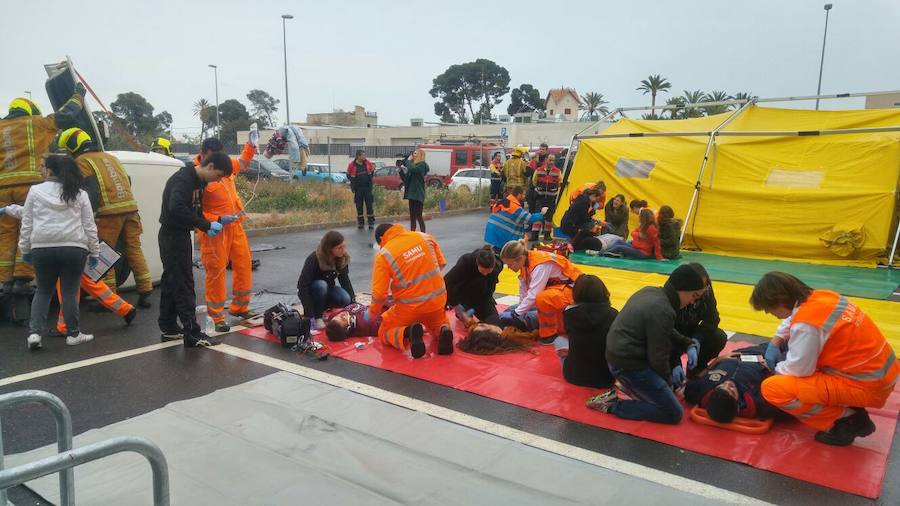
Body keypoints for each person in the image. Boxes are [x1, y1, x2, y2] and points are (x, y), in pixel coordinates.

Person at [750, 272, 899, 446]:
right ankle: (851, 410)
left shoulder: (806, 324)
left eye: (769, 308)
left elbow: (799, 369)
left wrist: (775, 370)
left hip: (867, 386)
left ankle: (846, 421)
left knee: (773, 388)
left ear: (780, 301)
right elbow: (795, 318)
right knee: (812, 368)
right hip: (881, 375)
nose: (769, 313)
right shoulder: (823, 297)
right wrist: (776, 340)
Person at [586, 265, 708, 424]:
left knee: (661, 393)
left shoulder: (651, 292)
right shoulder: (663, 309)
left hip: (620, 357)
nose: (693, 302)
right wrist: (669, 384)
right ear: (683, 289)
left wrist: (688, 344)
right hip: (628, 365)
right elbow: (658, 356)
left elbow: (666, 330)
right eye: (694, 296)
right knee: (673, 412)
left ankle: (632, 388)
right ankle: (613, 404)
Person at [0, 203, 137, 332]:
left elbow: (26, 212)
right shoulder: (70, 202)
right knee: (85, 283)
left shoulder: (45, 206)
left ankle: (65, 326)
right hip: (76, 251)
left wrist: (7, 209)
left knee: (66, 289)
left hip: (61, 253)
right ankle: (125, 309)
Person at [0, 86, 84, 294]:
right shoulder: (38, 124)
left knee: (5, 234)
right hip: (29, 188)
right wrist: (78, 95)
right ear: (30, 110)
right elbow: (67, 114)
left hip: (2, 189)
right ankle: (22, 278)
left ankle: (3, 281)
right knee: (27, 230)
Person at [57, 128, 153, 308]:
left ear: (72, 146)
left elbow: (90, 189)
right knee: (134, 249)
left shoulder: (81, 161)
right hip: (131, 209)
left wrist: (86, 214)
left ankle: (108, 300)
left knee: (103, 254)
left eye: (67, 149)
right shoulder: (111, 158)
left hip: (107, 213)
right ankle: (145, 290)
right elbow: (127, 181)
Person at [19, 154, 99, 349]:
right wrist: (95, 251)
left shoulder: (35, 191)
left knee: (43, 291)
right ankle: (73, 334)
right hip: (74, 248)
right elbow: (89, 225)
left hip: (42, 248)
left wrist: (25, 249)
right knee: (70, 292)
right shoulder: (79, 193)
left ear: (50, 170)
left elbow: (27, 222)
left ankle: (35, 334)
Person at [157, 152, 232, 347]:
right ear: (210, 167)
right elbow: (177, 208)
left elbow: (194, 211)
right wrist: (205, 225)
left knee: (172, 281)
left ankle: (168, 326)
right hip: (173, 235)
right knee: (184, 283)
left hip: (179, 235)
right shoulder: (183, 180)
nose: (217, 180)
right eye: (218, 175)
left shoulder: (198, 183)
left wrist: (209, 222)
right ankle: (192, 333)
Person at [195, 137, 256, 332]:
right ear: (204, 155)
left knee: (244, 263)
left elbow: (244, 163)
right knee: (216, 271)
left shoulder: (225, 164)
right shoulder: (197, 175)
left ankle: (240, 307)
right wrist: (217, 219)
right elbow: (195, 212)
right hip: (215, 230)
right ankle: (216, 316)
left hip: (235, 225)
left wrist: (251, 146)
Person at [368, 223, 453, 358]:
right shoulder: (424, 237)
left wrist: (373, 313)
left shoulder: (384, 255)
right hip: (436, 302)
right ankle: (444, 330)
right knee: (439, 323)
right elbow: (441, 264)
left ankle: (408, 332)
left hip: (409, 308)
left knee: (384, 331)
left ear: (381, 238)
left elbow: (379, 294)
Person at [498, 240, 583, 344]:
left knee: (542, 299)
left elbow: (534, 295)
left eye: (509, 265)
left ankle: (549, 335)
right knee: (512, 309)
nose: (509, 268)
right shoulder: (526, 263)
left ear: (519, 259)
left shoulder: (540, 265)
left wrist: (516, 314)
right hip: (558, 290)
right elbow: (524, 293)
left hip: (575, 292)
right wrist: (518, 311)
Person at [684, 348, 781, 424]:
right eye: (732, 390)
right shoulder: (757, 403)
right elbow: (789, 403)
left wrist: (716, 362)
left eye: (722, 386)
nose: (729, 383)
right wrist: (775, 370)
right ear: (738, 405)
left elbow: (691, 382)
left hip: (741, 353)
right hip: (768, 358)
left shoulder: (701, 390)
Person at [561, 275, 619, 388]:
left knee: (559, 341)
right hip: (605, 378)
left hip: (573, 375)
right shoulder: (613, 314)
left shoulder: (568, 313)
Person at [674, 263, 727, 378]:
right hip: (672, 334)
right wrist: (674, 363)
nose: (693, 301)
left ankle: (696, 367)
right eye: (695, 295)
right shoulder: (673, 295)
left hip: (689, 330)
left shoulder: (705, 290)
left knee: (719, 337)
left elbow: (712, 318)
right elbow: (664, 333)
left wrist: (697, 339)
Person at [297, 230, 355, 330]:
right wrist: (309, 315)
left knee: (345, 298)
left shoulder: (341, 258)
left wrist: (353, 305)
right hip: (312, 292)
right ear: (329, 248)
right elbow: (302, 286)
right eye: (339, 247)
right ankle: (317, 316)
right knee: (321, 285)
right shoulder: (314, 258)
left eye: (344, 246)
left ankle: (323, 308)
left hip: (328, 289)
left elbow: (345, 280)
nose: (343, 250)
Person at [443, 246, 502, 322]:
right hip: (463, 293)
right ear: (477, 263)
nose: (485, 274)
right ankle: (464, 308)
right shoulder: (466, 262)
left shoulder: (497, 267)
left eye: (488, 272)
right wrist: (456, 306)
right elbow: (448, 283)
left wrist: (488, 307)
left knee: (494, 321)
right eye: (483, 271)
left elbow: (490, 291)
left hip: (482, 295)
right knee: (470, 321)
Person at [483, 186, 545, 252]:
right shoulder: (515, 208)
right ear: (518, 195)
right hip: (503, 235)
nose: (525, 196)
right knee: (510, 252)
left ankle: (496, 254)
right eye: (523, 194)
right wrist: (541, 213)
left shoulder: (504, 202)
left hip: (492, 231)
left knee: (499, 249)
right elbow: (529, 219)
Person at [529, 153, 561, 241]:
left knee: (549, 217)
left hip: (551, 198)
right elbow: (534, 181)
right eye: (550, 160)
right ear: (546, 160)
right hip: (540, 197)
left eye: (553, 160)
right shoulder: (538, 170)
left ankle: (547, 235)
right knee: (538, 216)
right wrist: (540, 189)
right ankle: (534, 235)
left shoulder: (557, 171)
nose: (551, 162)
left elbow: (559, 183)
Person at [399, 149, 428, 232]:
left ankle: (423, 233)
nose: (413, 155)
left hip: (418, 194)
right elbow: (406, 179)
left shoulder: (422, 165)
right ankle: (412, 232)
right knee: (412, 216)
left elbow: (413, 170)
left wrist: (408, 161)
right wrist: (401, 171)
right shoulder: (412, 165)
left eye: (415, 153)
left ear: (420, 155)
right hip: (411, 193)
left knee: (418, 215)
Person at [346, 149, 375, 230]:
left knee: (369, 206)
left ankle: (371, 223)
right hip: (358, 189)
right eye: (363, 155)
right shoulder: (352, 165)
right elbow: (348, 174)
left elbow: (372, 171)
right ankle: (361, 223)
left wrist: (369, 180)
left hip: (367, 188)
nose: (364, 156)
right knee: (359, 206)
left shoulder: (367, 162)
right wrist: (353, 181)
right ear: (358, 156)